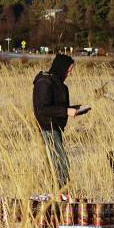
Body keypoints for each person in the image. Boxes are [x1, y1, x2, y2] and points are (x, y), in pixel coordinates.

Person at [33, 53, 87, 189]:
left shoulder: (58, 83)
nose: (70, 73)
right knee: (61, 164)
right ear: (61, 67)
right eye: (69, 69)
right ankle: (60, 194)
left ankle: (59, 192)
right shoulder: (44, 82)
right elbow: (42, 109)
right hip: (48, 128)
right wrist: (66, 111)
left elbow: (56, 106)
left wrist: (74, 109)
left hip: (55, 128)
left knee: (59, 164)